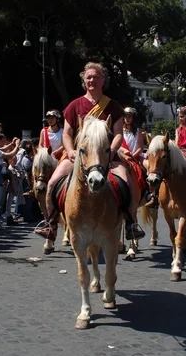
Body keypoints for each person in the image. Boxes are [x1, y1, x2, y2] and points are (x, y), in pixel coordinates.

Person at [35, 61, 145, 241]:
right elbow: (68, 134)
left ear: (103, 81)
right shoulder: (74, 106)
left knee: (129, 183)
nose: (92, 80)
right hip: (79, 155)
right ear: (84, 81)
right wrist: (70, 151)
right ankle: (51, 223)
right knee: (52, 183)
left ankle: (131, 223)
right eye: (89, 77)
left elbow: (118, 134)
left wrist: (111, 152)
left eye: (96, 77)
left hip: (106, 155)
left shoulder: (113, 106)